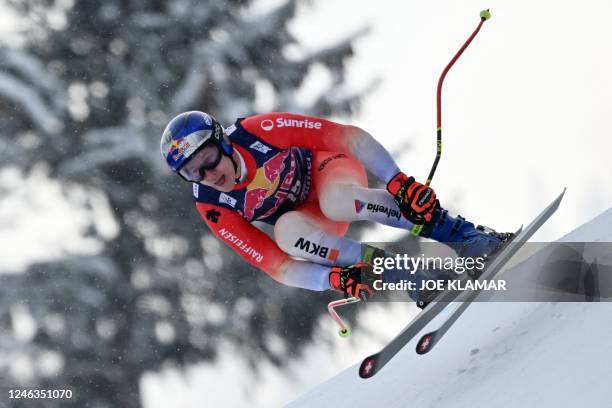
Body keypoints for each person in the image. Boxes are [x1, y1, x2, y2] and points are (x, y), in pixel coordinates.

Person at [160, 111, 511, 304]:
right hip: (309, 220)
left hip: (329, 172)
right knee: (286, 236)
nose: (207, 175)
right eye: (191, 172)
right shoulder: (211, 204)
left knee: (337, 201)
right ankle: (409, 274)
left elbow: (348, 136)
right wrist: (333, 278)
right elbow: (278, 267)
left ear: (221, 142)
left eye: (207, 159)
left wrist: (397, 181)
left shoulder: (258, 132)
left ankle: (466, 237)